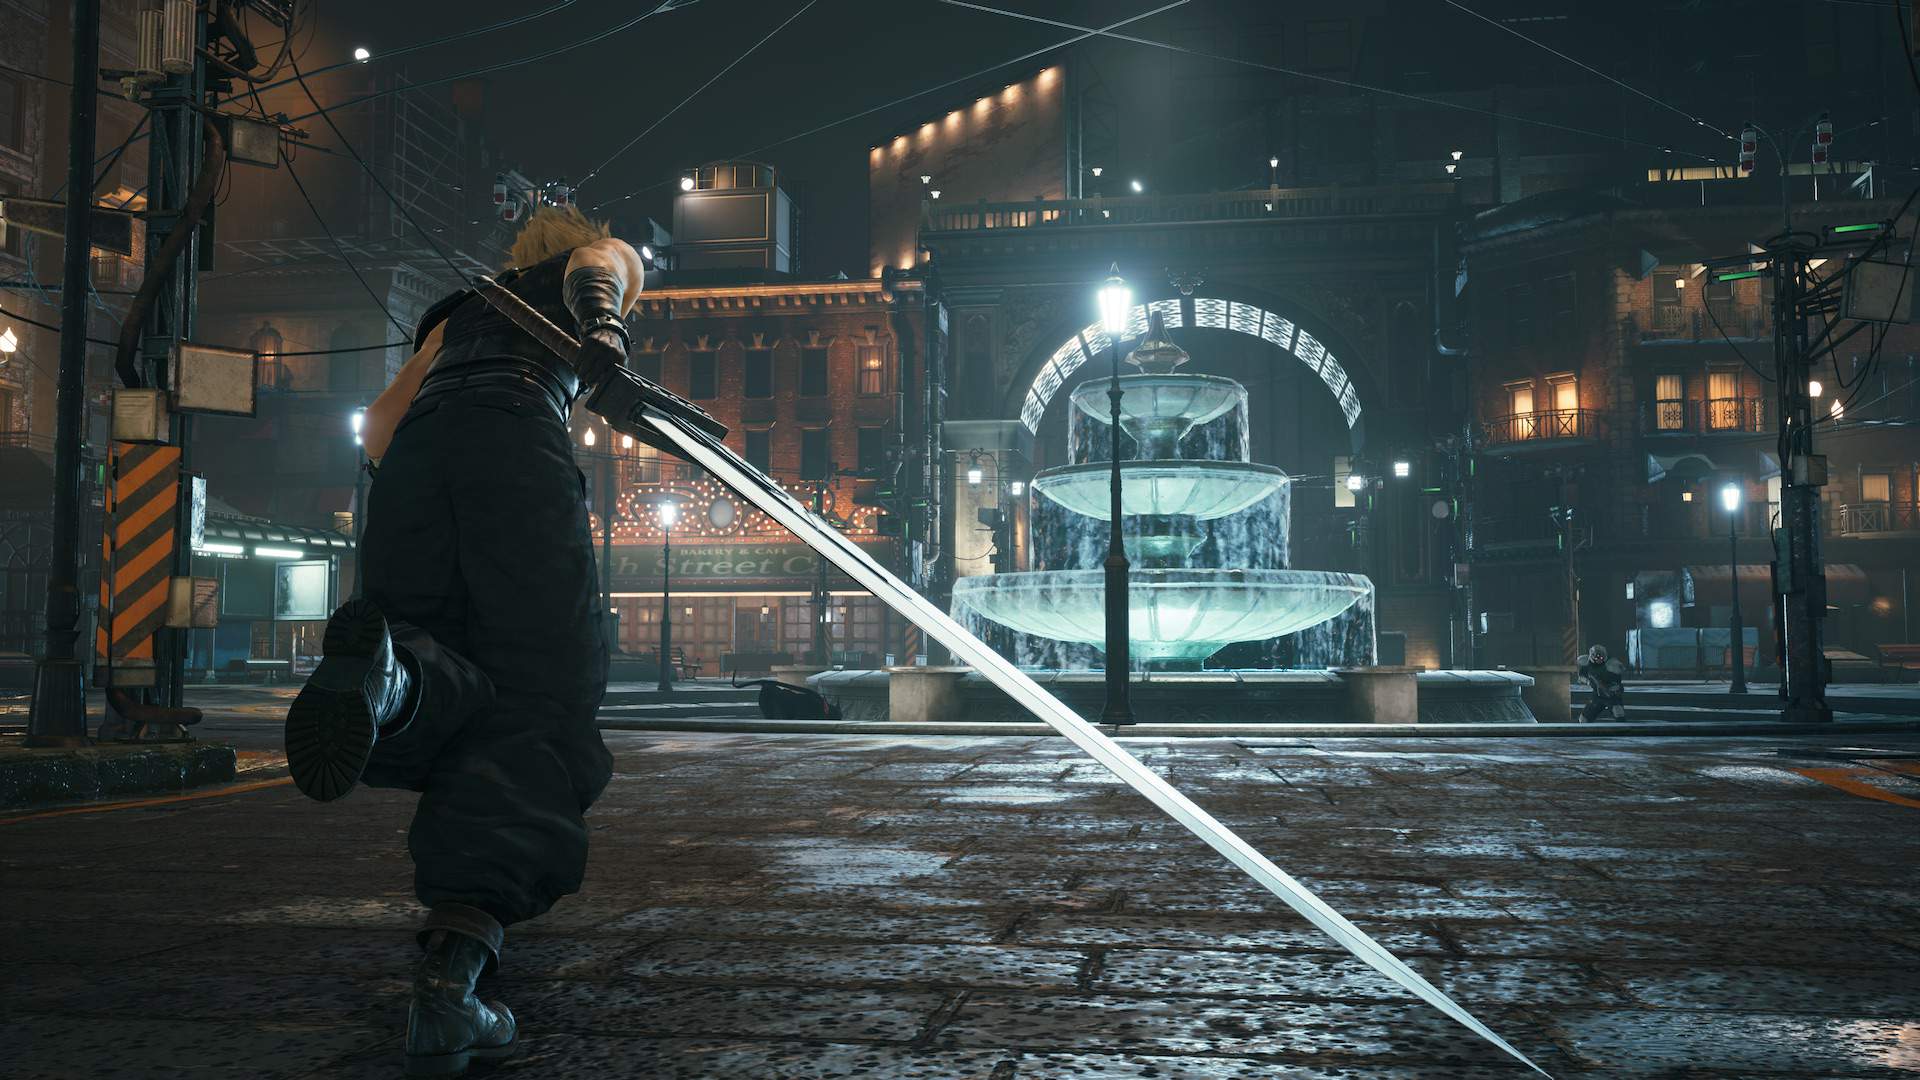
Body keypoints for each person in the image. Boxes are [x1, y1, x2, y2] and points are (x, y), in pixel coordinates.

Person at [282, 206, 645, 1077]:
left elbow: (375, 428)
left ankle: (390, 680)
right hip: (516, 447)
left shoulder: (458, 311)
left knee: (439, 661)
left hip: (410, 470)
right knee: (540, 701)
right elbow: (602, 264)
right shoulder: (592, 263)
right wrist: (604, 330)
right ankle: (451, 978)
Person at [1579, 643, 1628, 722]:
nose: (1599, 659)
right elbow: (1581, 676)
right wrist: (1588, 681)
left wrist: (1613, 688)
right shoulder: (1587, 663)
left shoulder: (1612, 664)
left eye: (1601, 657)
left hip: (1612, 696)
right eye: (1596, 657)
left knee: (1619, 715)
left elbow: (1618, 681)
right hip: (1597, 696)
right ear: (1591, 656)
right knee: (1583, 719)